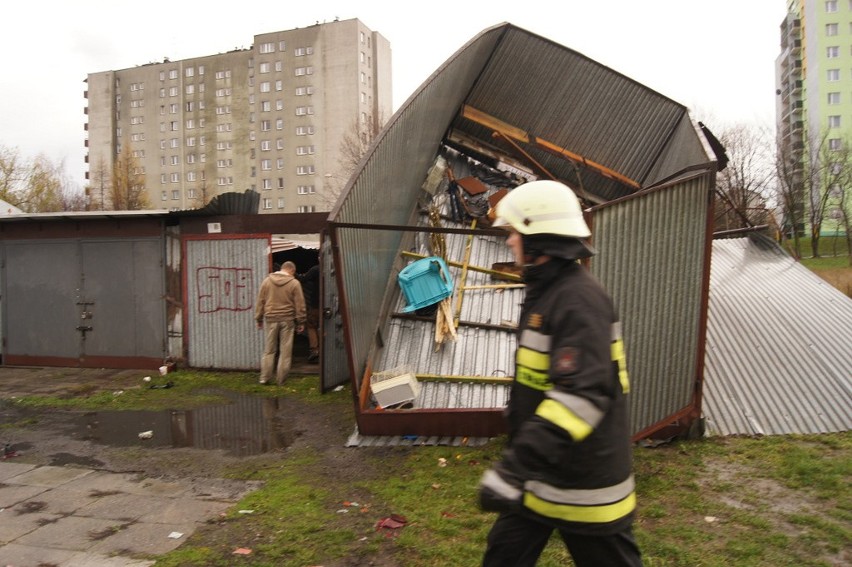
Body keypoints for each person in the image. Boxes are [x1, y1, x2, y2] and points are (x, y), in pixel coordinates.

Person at [479, 180, 642, 567]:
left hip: (584, 485)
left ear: (539, 240)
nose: (509, 242)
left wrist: (514, 467)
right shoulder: (547, 293)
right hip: (540, 477)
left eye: (515, 232)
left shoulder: (577, 300)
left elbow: (580, 397)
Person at [255, 261, 306, 385]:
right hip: (287, 320)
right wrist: (301, 321)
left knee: (269, 350)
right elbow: (300, 304)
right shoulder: (294, 283)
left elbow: (260, 300)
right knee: (285, 351)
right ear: (292, 271)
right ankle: (281, 379)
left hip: (271, 318)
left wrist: (259, 318)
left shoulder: (267, 281)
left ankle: (264, 378)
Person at [296, 263, 320, 363]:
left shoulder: (316, 269)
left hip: (316, 305)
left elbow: (303, 279)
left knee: (311, 326)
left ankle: (315, 351)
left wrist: (295, 274)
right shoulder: (340, 266)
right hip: (334, 304)